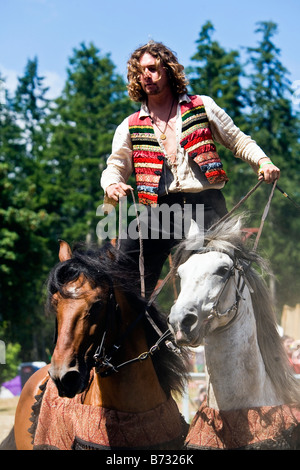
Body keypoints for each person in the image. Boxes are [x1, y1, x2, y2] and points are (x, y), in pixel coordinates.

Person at [100, 41, 280, 297]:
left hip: (206, 207)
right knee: (123, 272)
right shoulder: (129, 125)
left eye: (152, 68)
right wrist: (111, 184)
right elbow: (115, 167)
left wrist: (263, 162)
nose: (146, 76)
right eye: (140, 72)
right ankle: (136, 334)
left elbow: (238, 139)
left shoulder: (201, 106)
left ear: (168, 69)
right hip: (159, 212)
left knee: (229, 272)